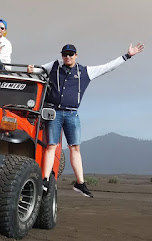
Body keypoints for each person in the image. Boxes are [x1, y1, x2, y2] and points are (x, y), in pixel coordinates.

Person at [27, 43, 144, 198]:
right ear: (62, 55)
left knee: (75, 148)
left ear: (76, 55)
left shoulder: (85, 71)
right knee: (51, 146)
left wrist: (127, 55)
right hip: (54, 113)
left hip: (72, 114)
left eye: (71, 54)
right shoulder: (54, 66)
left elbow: (108, 67)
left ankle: (80, 183)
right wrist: (30, 70)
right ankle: (45, 180)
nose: (68, 57)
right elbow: (38, 69)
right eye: (65, 54)